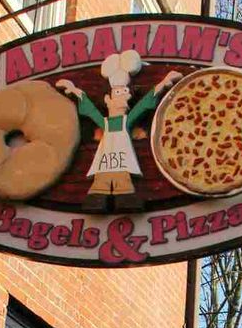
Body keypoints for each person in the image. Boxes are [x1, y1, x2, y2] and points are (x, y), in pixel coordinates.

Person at [56, 51, 181, 211]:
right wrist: (73, 90)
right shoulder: (105, 122)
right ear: (108, 100)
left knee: (123, 182)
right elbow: (90, 110)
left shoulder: (126, 121)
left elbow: (143, 105)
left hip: (122, 160)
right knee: (100, 183)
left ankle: (126, 198)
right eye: (118, 93)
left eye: (125, 94)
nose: (123, 97)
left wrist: (163, 83)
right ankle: (96, 199)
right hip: (105, 160)